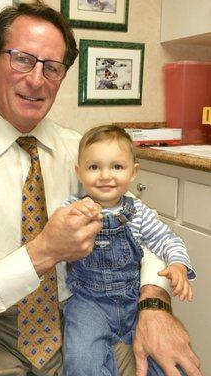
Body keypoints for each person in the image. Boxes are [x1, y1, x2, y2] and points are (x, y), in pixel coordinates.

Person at [0, 0, 201, 376]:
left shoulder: (83, 154)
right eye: (22, 59)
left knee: (177, 367)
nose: (36, 79)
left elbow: (141, 232)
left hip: (79, 316)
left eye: (52, 67)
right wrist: (43, 252)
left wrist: (154, 303)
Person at [61, 124, 196, 376]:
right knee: (81, 360)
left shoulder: (139, 212)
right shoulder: (72, 207)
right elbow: (58, 236)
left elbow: (167, 239)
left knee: (168, 363)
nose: (105, 175)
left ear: (133, 173)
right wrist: (74, 220)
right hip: (89, 304)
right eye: (94, 167)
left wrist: (178, 264)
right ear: (79, 172)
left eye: (117, 167)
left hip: (133, 301)